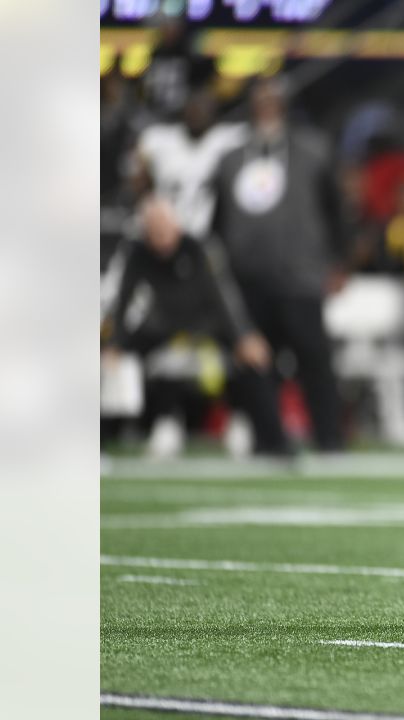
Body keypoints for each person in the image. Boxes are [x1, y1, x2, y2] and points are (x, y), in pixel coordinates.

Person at [211, 76, 350, 452]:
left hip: (301, 275)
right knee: (255, 362)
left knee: (314, 360)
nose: (267, 106)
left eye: (274, 99)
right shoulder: (231, 157)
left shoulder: (313, 150)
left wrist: (338, 261)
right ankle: (268, 441)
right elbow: (217, 219)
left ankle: (329, 440)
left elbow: (336, 211)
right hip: (248, 276)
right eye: (260, 99)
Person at [102, 196, 287, 457]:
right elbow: (124, 301)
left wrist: (243, 336)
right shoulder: (138, 254)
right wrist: (115, 345)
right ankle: (102, 443)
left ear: (176, 226)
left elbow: (223, 297)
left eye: (165, 229)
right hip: (163, 327)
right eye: (154, 232)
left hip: (208, 326)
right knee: (109, 359)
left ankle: (270, 439)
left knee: (255, 359)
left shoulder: (198, 249)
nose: (162, 238)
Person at [132, 87, 248, 239]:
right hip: (164, 233)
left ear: (214, 111)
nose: (197, 113)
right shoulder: (160, 139)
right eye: (192, 108)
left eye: (202, 108)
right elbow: (138, 177)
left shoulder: (227, 139)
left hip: (205, 235)